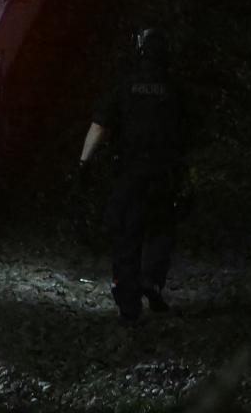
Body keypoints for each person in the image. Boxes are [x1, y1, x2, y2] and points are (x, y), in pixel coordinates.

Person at [79, 27, 186, 325]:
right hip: (165, 173)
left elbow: (100, 125)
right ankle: (152, 280)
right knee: (161, 227)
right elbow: (190, 133)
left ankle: (128, 302)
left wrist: (84, 162)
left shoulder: (124, 87)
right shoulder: (175, 90)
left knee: (127, 233)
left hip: (130, 173)